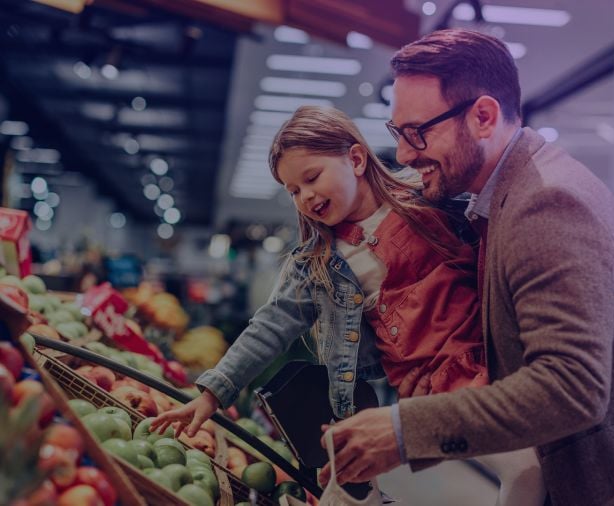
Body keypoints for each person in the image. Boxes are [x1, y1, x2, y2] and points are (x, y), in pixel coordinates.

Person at [318, 28, 614, 506]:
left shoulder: (546, 203)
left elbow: (572, 387)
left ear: (483, 116)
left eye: (418, 132)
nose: (403, 154)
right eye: (398, 133)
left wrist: (404, 432)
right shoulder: (504, 199)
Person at [151, 105, 544, 502]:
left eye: (311, 177)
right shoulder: (316, 263)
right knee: (523, 467)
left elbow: (498, 223)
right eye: (293, 191)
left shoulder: (428, 200)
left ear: (356, 159)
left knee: (536, 464)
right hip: (437, 388)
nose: (305, 196)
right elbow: (270, 325)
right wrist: (212, 393)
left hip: (497, 358)